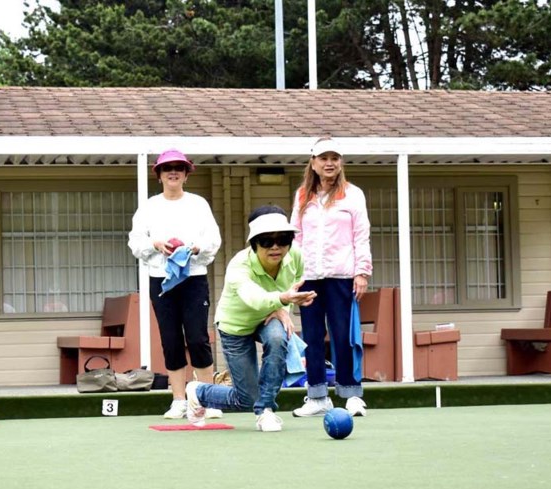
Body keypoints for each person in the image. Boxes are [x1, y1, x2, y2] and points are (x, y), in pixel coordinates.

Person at [185, 206, 316, 432]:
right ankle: (198, 392)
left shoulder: (295, 255)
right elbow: (252, 298)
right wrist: (282, 299)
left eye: (283, 239)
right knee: (246, 399)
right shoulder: (239, 265)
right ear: (254, 244)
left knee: (277, 336)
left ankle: (266, 410)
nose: (276, 247)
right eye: (266, 241)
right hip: (235, 326)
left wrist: (283, 307)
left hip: (268, 316)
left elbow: (296, 285)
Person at [128, 148, 222, 419]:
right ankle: (179, 399)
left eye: (178, 168)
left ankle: (208, 398)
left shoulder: (198, 204)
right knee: (170, 339)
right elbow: (136, 242)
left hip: (193, 278)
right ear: (158, 175)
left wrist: (194, 248)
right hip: (162, 280)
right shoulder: (149, 207)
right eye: (167, 168)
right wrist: (156, 245)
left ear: (186, 175)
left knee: (197, 338)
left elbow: (213, 240)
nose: (173, 172)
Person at [289, 138, 373, 418]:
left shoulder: (353, 194)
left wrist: (362, 272)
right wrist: (294, 275)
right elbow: (295, 237)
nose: (329, 163)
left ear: (341, 163)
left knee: (342, 336)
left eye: (334, 158)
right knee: (311, 337)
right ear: (313, 163)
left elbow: (361, 235)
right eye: (323, 158)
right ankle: (317, 396)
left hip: (342, 276)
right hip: (309, 277)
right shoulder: (303, 195)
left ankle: (351, 394)